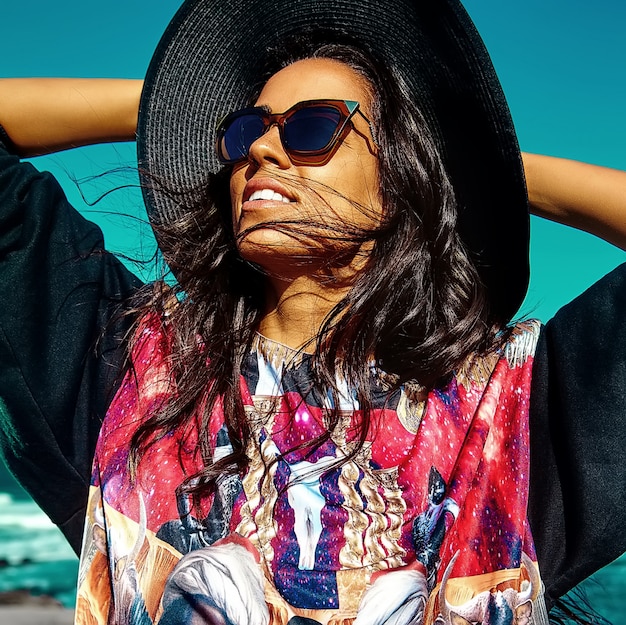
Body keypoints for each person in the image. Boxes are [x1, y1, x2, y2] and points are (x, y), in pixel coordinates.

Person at [1, 0, 625, 623]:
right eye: (247, 131)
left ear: (402, 172)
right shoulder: (135, 368)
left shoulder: (505, 416)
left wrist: (484, 168)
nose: (263, 150)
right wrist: (166, 109)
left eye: (311, 127)